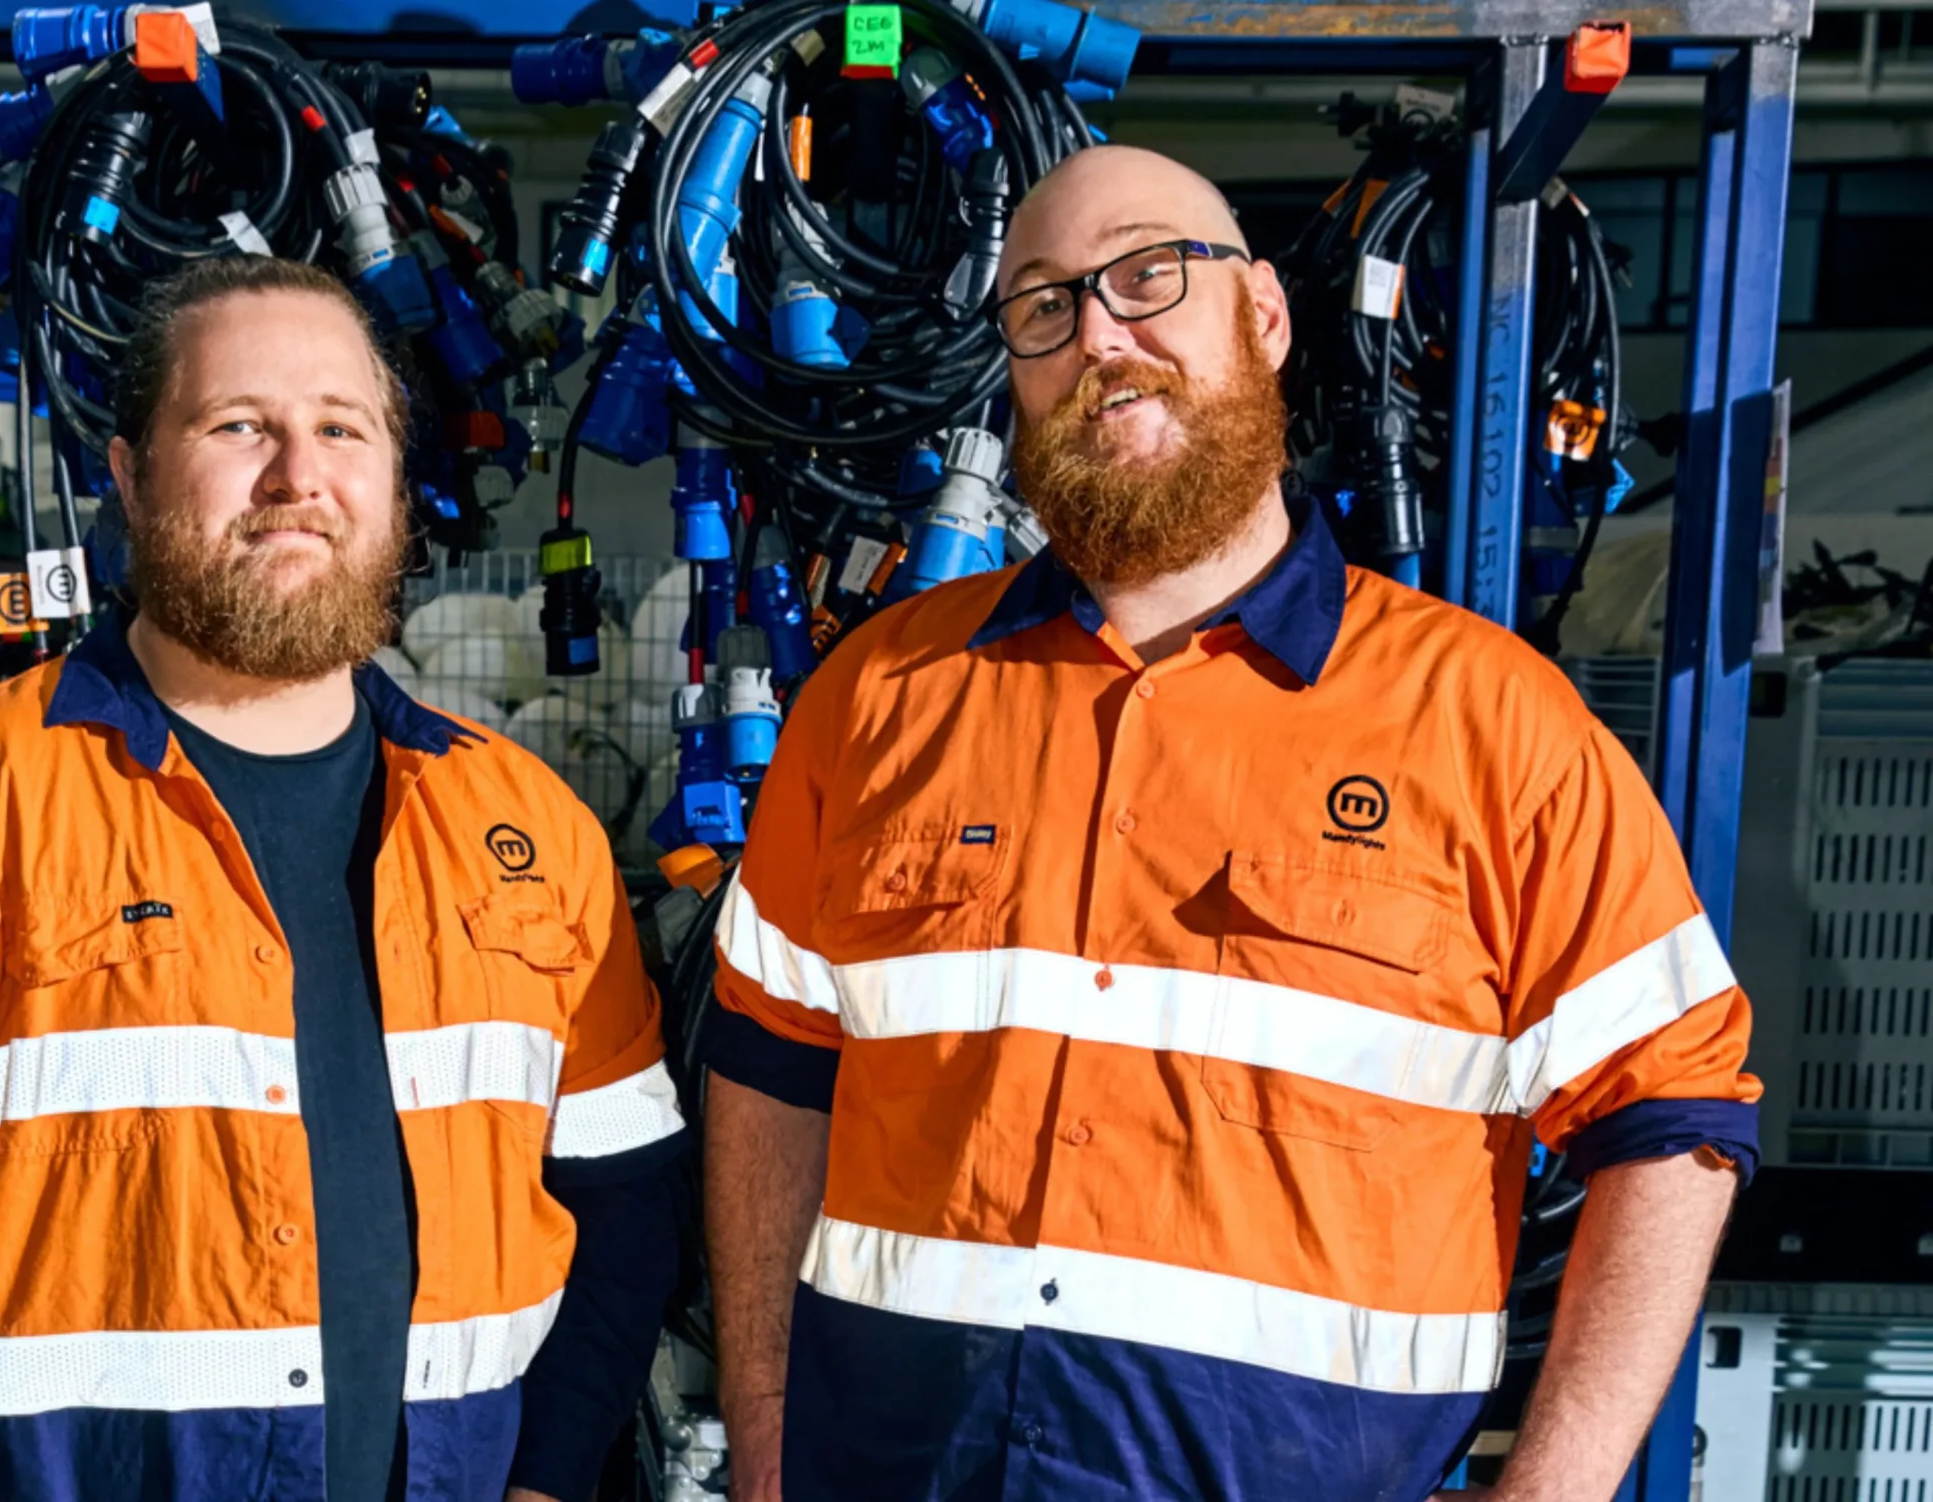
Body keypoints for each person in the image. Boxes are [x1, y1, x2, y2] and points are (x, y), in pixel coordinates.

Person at [700, 143, 1758, 1502]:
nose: (1101, 337)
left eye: (1149, 276)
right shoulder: (879, 699)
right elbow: (768, 1065)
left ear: (1262, 313)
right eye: (1045, 306)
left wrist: (1554, 1487)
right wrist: (768, 1424)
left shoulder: (1492, 725)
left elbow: (1673, 1115)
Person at [0, 255, 689, 1502]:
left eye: (340, 427)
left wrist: (547, 1475)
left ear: (392, 479)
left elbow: (621, 1201)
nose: (298, 477)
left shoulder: (528, 826)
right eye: (240, 426)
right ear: (128, 473)